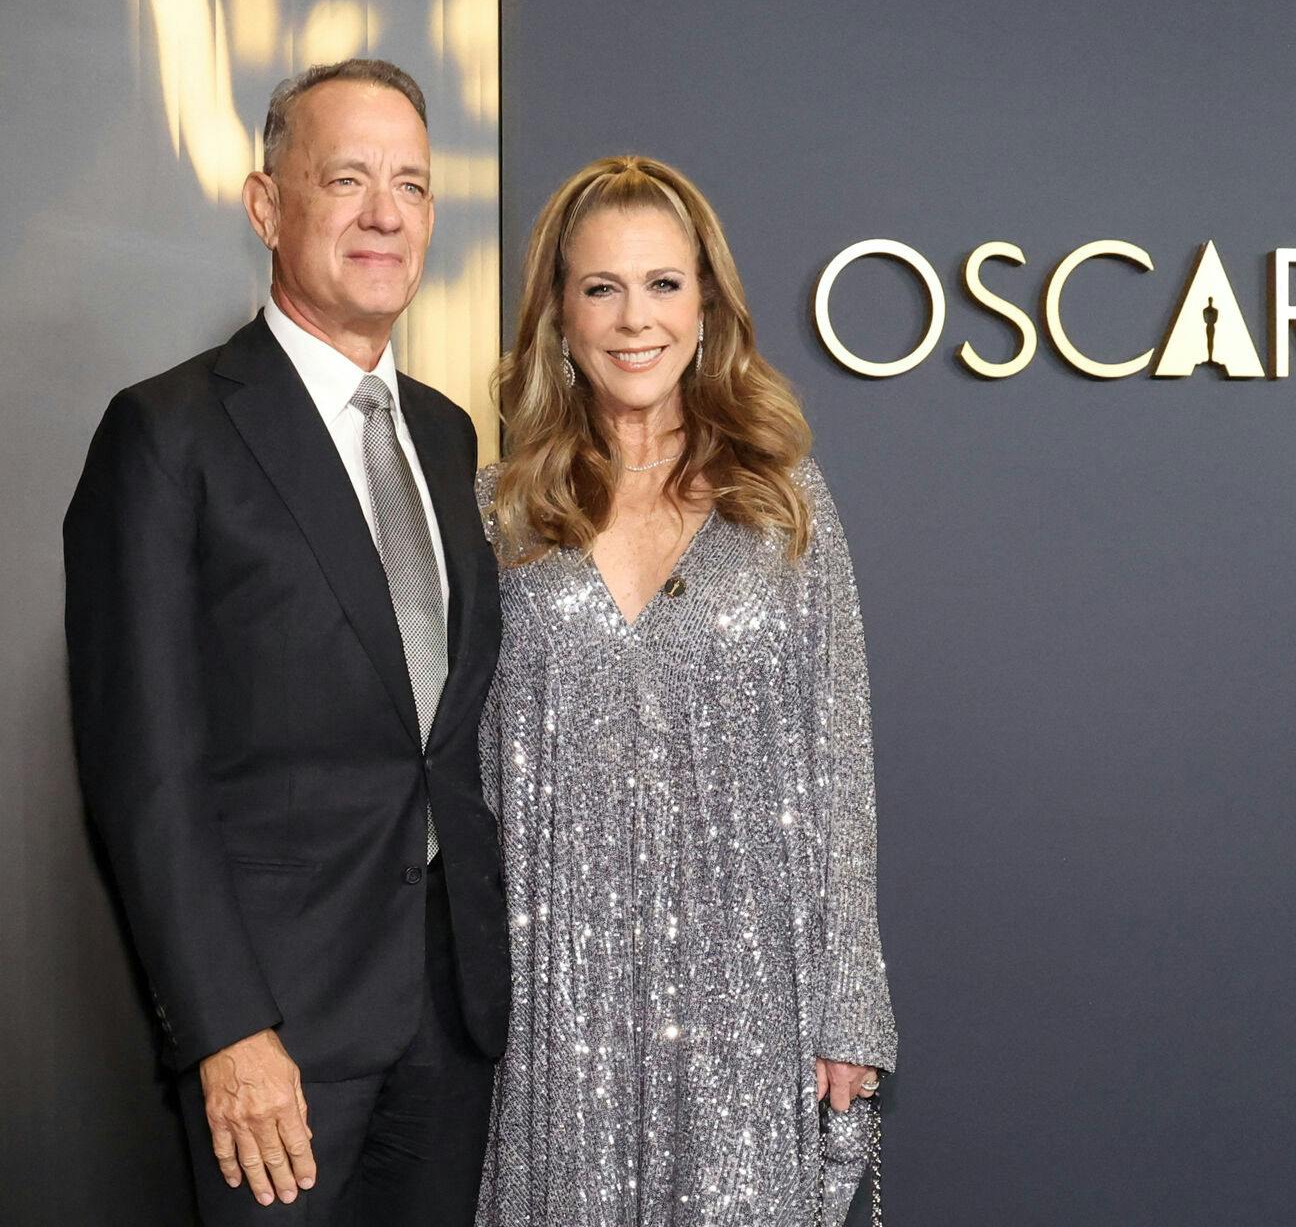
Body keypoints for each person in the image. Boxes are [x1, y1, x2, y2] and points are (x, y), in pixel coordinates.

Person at [63, 59, 508, 1224]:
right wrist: (225, 1031)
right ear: (268, 205)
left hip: (453, 1020)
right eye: (346, 178)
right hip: (278, 1041)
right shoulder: (168, 435)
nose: (383, 214)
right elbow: (141, 775)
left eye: (410, 185)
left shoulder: (451, 438)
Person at [475, 155, 897, 1226]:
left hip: (746, 1001)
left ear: (707, 305)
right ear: (558, 314)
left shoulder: (781, 501)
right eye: (601, 287)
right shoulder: (494, 510)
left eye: (664, 284)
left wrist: (849, 1001)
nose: (634, 320)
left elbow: (837, 754)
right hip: (549, 991)